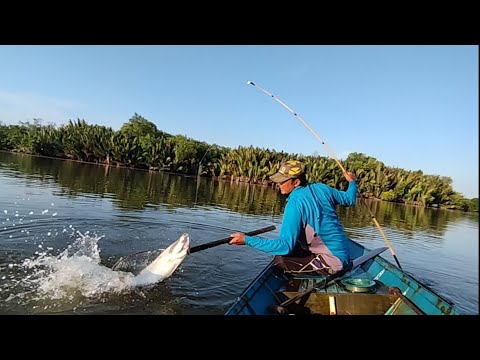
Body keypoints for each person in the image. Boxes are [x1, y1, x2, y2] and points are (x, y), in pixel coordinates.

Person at [229, 160, 357, 276]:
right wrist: (352, 182)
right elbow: (349, 199)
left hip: (334, 263)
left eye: (283, 181)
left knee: (280, 260)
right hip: (343, 252)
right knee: (295, 245)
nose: (279, 183)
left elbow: (285, 246)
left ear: (296, 182)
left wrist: (246, 240)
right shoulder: (322, 188)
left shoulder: (295, 203)